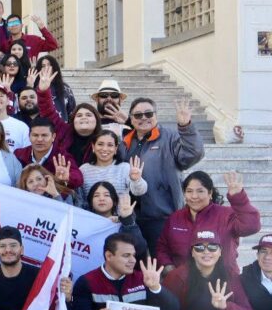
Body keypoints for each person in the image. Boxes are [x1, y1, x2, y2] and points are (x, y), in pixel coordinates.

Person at [122, 97, 205, 253]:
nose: (144, 118)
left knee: (161, 264)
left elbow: (192, 154)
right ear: (131, 119)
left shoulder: (169, 136)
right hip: (132, 215)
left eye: (148, 113)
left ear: (156, 115)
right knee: (135, 266)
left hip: (163, 215)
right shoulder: (125, 141)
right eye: (138, 115)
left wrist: (185, 126)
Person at [157, 171, 260, 275]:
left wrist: (238, 198)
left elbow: (251, 226)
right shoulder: (175, 218)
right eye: (189, 191)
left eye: (200, 191)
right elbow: (162, 248)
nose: (194, 196)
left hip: (224, 282)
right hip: (184, 284)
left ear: (210, 193)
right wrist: (168, 268)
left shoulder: (226, 215)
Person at [78, 131, 147, 202]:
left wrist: (136, 180)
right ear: (93, 147)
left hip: (120, 213)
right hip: (88, 213)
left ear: (116, 149)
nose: (105, 149)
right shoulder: (84, 170)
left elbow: (139, 192)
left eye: (110, 145)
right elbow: (79, 199)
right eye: (100, 144)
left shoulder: (124, 168)